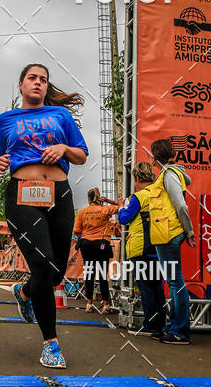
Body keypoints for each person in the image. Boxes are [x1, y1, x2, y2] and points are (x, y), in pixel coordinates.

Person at [0, 63, 88, 368]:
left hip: (59, 194)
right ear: (21, 84)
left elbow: (81, 155)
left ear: (47, 87)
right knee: (44, 266)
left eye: (43, 79)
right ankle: (51, 343)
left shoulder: (60, 116)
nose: (38, 83)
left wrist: (62, 148)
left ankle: (24, 291)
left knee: (56, 273)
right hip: (23, 194)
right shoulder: (6, 120)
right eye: (32, 78)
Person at [148, 138, 196, 344]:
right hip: (165, 234)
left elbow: (181, 205)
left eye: (151, 154)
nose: (150, 157)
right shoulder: (167, 174)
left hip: (169, 234)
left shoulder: (168, 174)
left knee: (176, 282)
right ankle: (174, 326)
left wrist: (189, 231)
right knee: (174, 281)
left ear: (155, 156)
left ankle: (180, 331)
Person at [117, 162, 164, 337]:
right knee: (157, 287)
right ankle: (160, 324)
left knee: (146, 288)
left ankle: (150, 325)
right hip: (159, 247)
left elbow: (124, 218)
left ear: (137, 177)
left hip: (140, 248)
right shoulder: (160, 194)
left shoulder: (139, 196)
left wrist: (121, 206)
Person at [73, 188, 119, 314]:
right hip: (102, 244)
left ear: (88, 199)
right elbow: (121, 206)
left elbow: (76, 231)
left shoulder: (82, 212)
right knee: (102, 274)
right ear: (99, 198)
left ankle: (89, 304)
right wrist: (108, 200)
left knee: (89, 274)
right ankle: (105, 306)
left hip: (87, 244)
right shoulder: (105, 210)